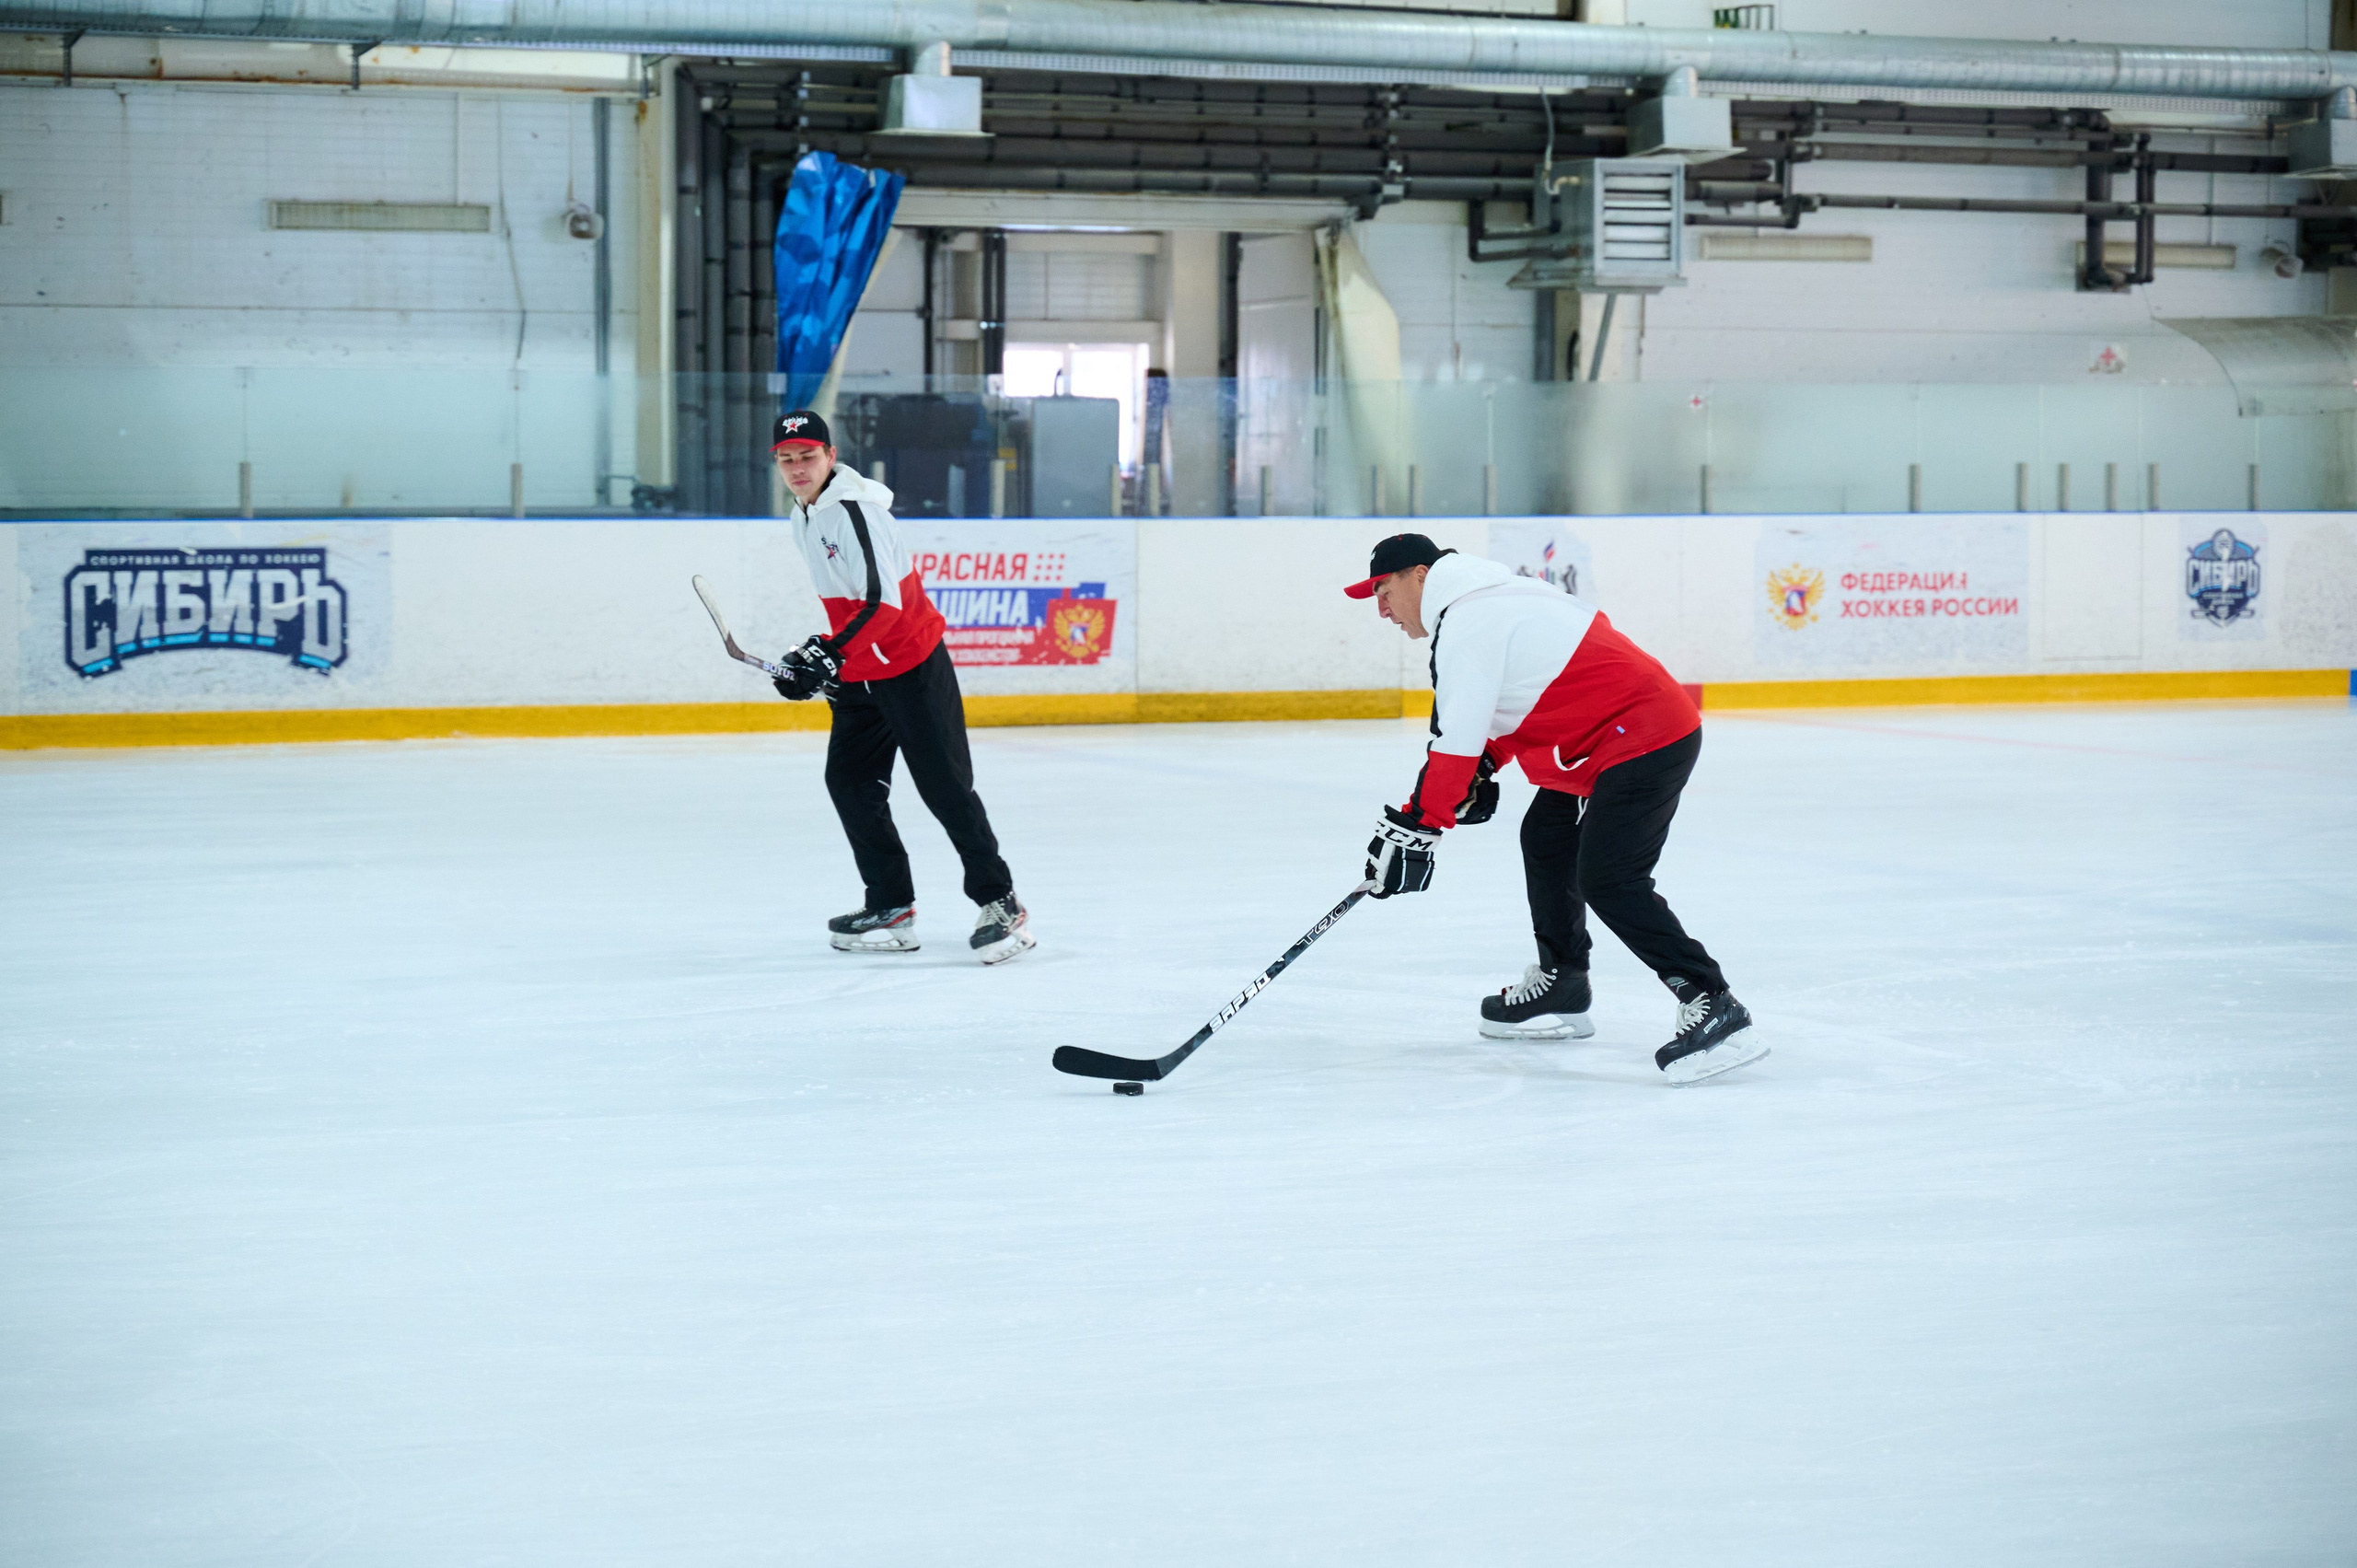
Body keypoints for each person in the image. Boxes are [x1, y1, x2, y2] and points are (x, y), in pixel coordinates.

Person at [1346, 532, 1763, 1086]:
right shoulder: (1498, 597)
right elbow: (1518, 698)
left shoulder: (1468, 621)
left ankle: (1714, 1003)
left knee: (1610, 876)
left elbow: (1455, 743)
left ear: (1419, 576)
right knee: (1546, 836)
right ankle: (1563, 980)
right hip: (1606, 737)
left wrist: (1420, 827)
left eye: (1383, 589)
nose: (1381, 610)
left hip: (1645, 737)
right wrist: (1485, 765)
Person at [769, 409, 1033, 963]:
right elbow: (847, 605)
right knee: (849, 782)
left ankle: (1000, 900)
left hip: (911, 665)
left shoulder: (855, 512)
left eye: (808, 456)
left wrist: (831, 652)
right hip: (862, 674)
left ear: (831, 456)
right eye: (787, 459)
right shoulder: (804, 515)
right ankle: (891, 904)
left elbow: (884, 604)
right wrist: (814, 658)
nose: (797, 468)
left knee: (946, 789)